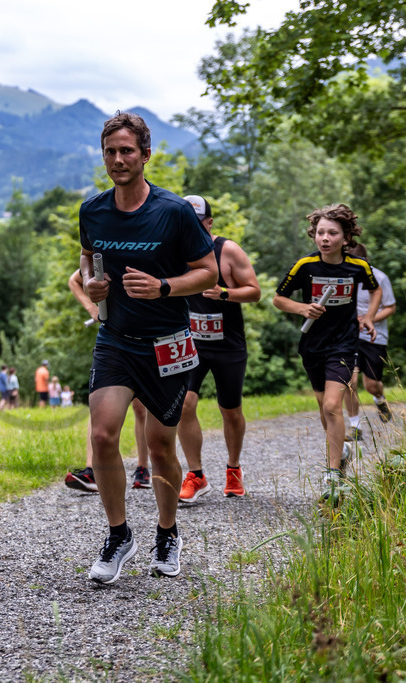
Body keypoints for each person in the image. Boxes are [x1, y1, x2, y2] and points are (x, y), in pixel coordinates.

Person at [80, 111, 217, 584]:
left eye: (127, 151)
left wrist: (162, 287)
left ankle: (166, 531)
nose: (118, 159)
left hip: (168, 343)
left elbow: (207, 272)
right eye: (111, 152)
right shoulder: (93, 209)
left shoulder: (174, 211)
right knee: (102, 436)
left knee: (160, 447)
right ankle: (119, 535)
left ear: (145, 155)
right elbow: (88, 259)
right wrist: (94, 285)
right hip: (115, 339)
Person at [272, 204, 381, 505]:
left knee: (334, 405)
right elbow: (278, 299)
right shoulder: (304, 267)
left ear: (346, 238)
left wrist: (369, 317)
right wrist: (302, 308)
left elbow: (376, 291)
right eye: (320, 232)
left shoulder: (358, 267)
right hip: (312, 346)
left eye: (332, 233)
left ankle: (333, 475)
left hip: (344, 345)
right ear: (314, 235)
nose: (325, 238)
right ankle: (342, 451)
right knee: (324, 409)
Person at [176, 195, 261, 502]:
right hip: (190, 342)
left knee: (231, 410)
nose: (191, 229)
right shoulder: (172, 250)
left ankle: (233, 469)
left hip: (227, 344)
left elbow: (255, 291)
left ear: (209, 223)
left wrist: (224, 293)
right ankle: (196, 474)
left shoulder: (228, 250)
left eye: (197, 224)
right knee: (184, 404)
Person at [65, 268, 154, 492]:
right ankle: (92, 470)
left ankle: (142, 468)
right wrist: (91, 308)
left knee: (141, 406)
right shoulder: (107, 246)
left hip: (149, 332)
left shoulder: (152, 241)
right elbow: (74, 280)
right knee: (101, 403)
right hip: (113, 336)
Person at [344, 243, 396, 439]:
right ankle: (355, 426)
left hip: (374, 337)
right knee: (349, 381)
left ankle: (379, 399)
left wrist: (368, 319)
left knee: (371, 384)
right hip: (348, 337)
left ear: (364, 262)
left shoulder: (380, 278)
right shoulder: (343, 276)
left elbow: (390, 307)